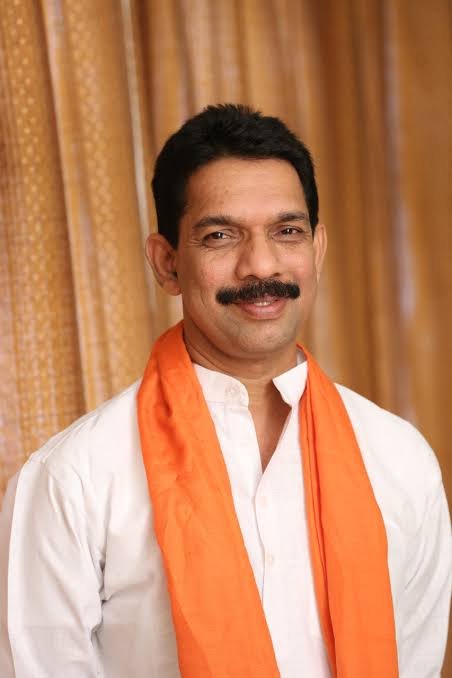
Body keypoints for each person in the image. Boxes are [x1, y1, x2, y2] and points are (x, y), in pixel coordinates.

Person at [0, 104, 450, 678]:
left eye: (287, 232)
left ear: (316, 250)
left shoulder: (400, 459)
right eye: (220, 236)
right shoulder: (74, 478)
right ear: (167, 264)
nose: (260, 265)